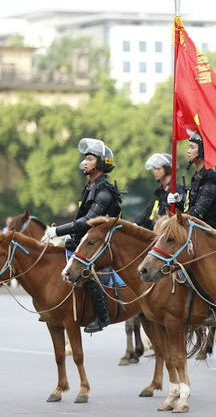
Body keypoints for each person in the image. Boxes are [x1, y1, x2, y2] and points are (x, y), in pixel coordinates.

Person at [45, 138, 123, 333]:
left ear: (101, 163)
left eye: (90, 158)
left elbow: (88, 220)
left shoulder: (104, 191)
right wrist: (67, 238)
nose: (85, 162)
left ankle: (102, 317)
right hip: (89, 239)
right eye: (86, 158)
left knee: (85, 271)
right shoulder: (90, 188)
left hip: (105, 242)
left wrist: (57, 230)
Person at [167, 131, 216, 325]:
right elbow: (191, 209)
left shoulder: (210, 179)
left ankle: (215, 305)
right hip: (197, 234)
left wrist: (180, 218)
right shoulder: (198, 176)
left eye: (192, 147)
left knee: (194, 269)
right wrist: (176, 203)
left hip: (210, 235)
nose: (188, 151)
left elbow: (198, 212)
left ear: (203, 151)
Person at [134, 152, 185, 230]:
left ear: (168, 169)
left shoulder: (176, 191)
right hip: (152, 230)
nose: (155, 171)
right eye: (154, 169)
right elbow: (147, 212)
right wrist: (134, 224)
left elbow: (181, 206)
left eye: (158, 169)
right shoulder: (159, 191)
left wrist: (178, 200)